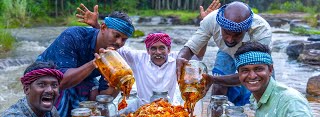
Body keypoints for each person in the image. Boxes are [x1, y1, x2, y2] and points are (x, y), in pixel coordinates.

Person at [76, 1, 221, 105]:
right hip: (143, 109)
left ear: (169, 50)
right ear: (147, 50)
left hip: (169, 109)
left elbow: (198, 55)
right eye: (153, 48)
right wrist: (97, 26)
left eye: (162, 48)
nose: (158, 52)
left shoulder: (178, 58)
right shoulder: (138, 58)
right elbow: (113, 45)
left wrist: (206, 24)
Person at [36, 11, 135, 117]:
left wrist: (116, 83)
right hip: (47, 76)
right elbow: (61, 82)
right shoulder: (73, 36)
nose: (119, 42)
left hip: (81, 78)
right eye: (116, 35)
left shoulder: (113, 56)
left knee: (97, 104)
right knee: (62, 97)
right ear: (103, 27)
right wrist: (94, 63)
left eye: (124, 39)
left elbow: (103, 96)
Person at [176, 1, 272, 106]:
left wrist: (212, 79)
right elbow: (191, 47)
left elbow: (249, 73)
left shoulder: (261, 31)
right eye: (226, 33)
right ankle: (215, 115)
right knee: (218, 87)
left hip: (254, 59)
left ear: (246, 30)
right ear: (220, 26)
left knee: (257, 88)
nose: (230, 40)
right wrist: (180, 58)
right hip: (226, 52)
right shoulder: (211, 20)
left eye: (236, 35)